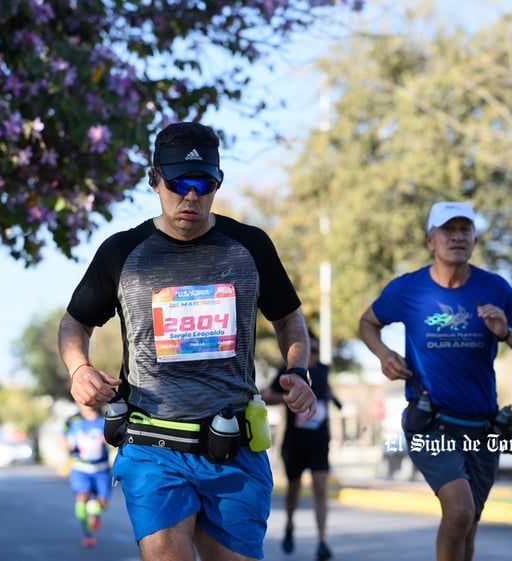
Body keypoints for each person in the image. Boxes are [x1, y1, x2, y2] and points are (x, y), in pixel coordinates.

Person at [57, 121, 316, 561]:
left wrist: (297, 371)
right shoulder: (123, 252)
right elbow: (74, 323)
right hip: (151, 445)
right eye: (179, 182)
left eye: (203, 183)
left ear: (217, 183)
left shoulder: (249, 246)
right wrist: (78, 369)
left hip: (232, 443)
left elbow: (289, 319)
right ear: (154, 179)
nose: (191, 196)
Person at [358, 201, 512, 561]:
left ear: (474, 238)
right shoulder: (407, 289)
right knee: (458, 511)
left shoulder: (496, 288)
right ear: (431, 240)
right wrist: (384, 355)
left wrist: (506, 334)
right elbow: (368, 323)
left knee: (469, 525)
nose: (457, 236)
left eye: (465, 229)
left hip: (482, 426)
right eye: (448, 230)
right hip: (431, 422)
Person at [262, 329, 340, 561]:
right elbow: (266, 395)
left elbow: (326, 395)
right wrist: (285, 398)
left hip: (319, 441)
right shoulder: (290, 372)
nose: (312, 355)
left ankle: (322, 541)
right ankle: (289, 524)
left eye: (315, 350)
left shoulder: (324, 370)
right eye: (309, 350)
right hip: (295, 442)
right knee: (294, 489)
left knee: (319, 488)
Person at [63, 402, 112, 548]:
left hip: (101, 469)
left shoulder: (105, 419)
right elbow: (62, 434)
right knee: (82, 498)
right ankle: (88, 534)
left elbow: (115, 437)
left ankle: (95, 513)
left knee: (101, 503)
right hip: (81, 468)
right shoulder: (73, 420)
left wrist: (107, 439)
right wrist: (66, 445)